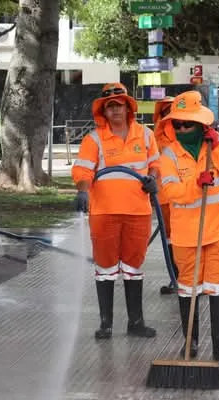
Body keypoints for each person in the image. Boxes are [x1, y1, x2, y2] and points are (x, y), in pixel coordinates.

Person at [157, 91, 219, 361]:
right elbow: (170, 192)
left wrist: (217, 146)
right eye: (178, 124)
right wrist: (195, 185)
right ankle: (191, 342)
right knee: (188, 288)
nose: (182, 128)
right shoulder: (169, 155)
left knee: (218, 286)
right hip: (186, 234)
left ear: (201, 125)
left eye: (188, 124)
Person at [71, 83, 160, 340]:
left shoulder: (145, 135)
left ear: (128, 107)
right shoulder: (94, 139)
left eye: (119, 105)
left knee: (133, 267)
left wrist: (153, 177)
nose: (115, 110)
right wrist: (83, 191)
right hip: (105, 214)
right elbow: (83, 171)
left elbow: (155, 163)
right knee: (106, 268)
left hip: (138, 212)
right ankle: (106, 324)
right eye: (110, 107)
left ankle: (136, 322)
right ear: (105, 112)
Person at [153, 96, 178, 293]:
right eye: (165, 111)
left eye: (172, 110)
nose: (169, 115)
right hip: (164, 199)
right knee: (170, 240)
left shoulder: (188, 133)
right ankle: (176, 277)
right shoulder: (155, 140)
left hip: (186, 198)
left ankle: (193, 280)